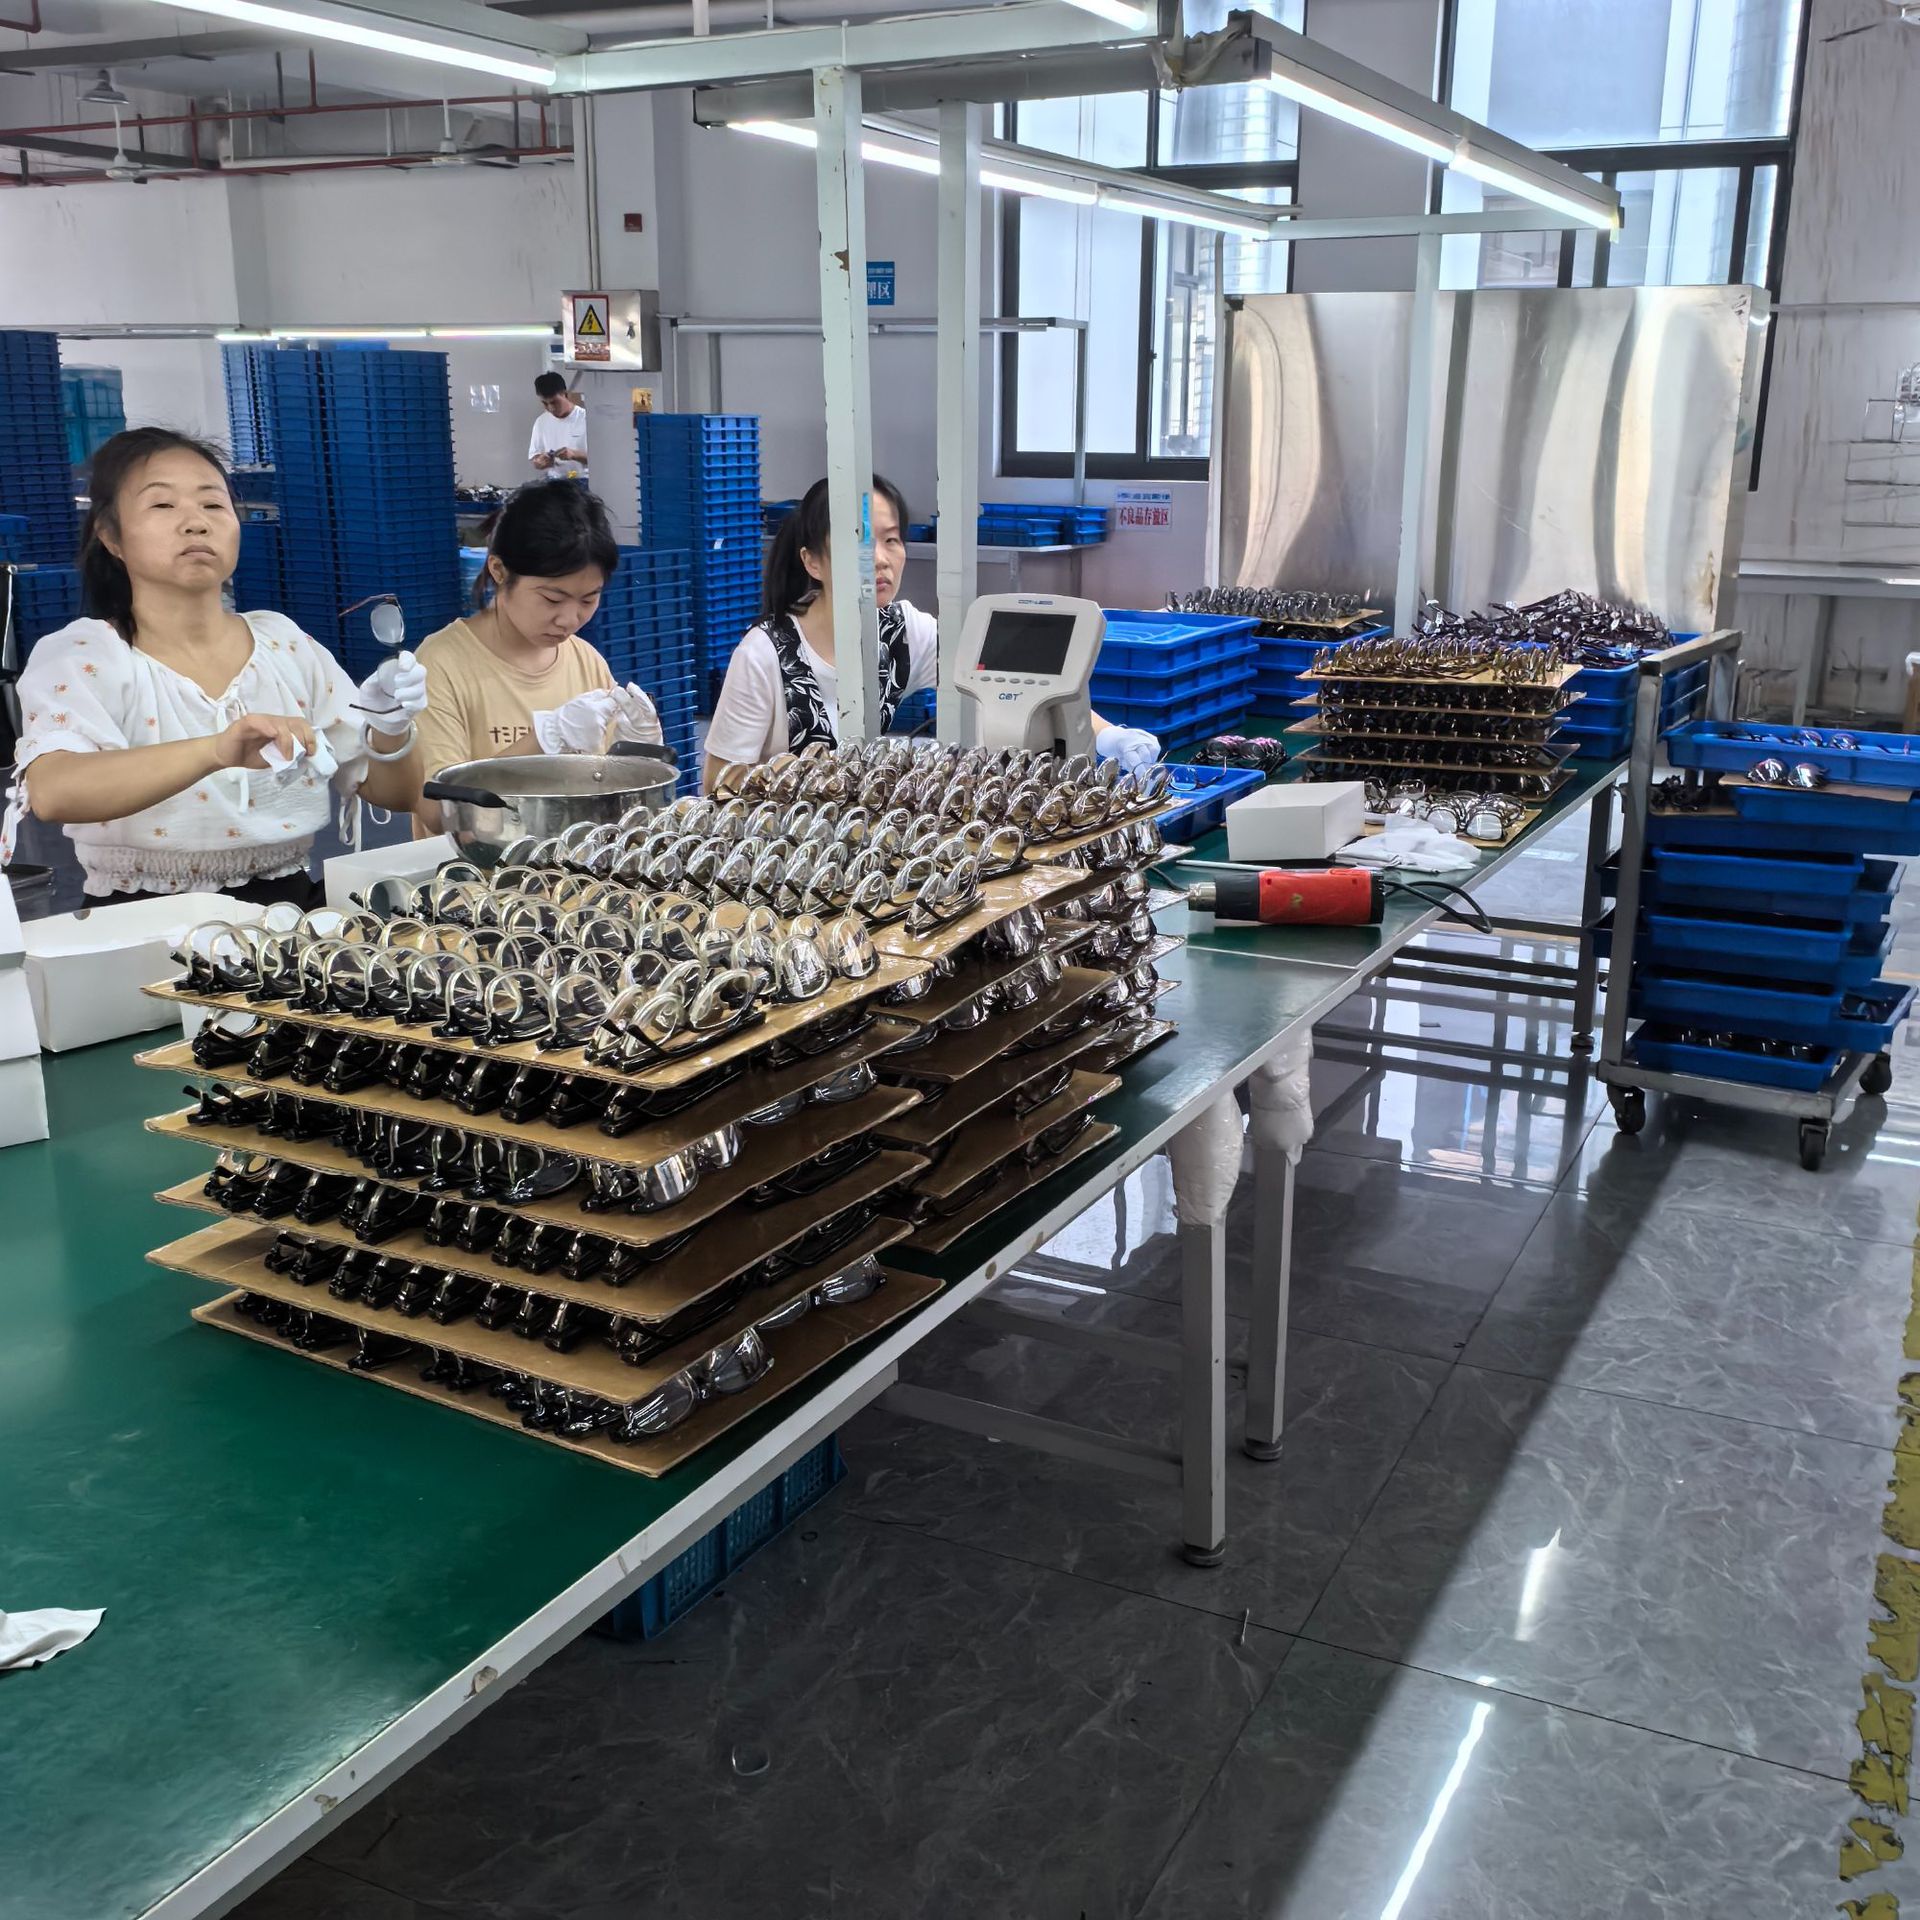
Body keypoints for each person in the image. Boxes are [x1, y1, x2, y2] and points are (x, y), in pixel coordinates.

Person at [3, 428, 426, 908]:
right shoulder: (85, 656)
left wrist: (390, 728)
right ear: (110, 536)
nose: (195, 523)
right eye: (163, 505)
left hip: (287, 915)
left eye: (213, 504)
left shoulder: (286, 644)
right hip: (140, 918)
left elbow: (397, 794)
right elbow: (54, 791)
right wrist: (216, 750)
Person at [701, 474, 1157, 793]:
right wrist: (792, 779)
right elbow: (716, 782)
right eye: (860, 541)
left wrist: (1109, 737)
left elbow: (1018, 682)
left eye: (892, 540)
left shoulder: (902, 632)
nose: (881, 559)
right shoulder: (765, 655)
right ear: (812, 562)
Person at [412, 483, 663, 836]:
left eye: (588, 599)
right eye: (552, 599)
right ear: (499, 570)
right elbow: (437, 813)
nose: (570, 619)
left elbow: (605, 797)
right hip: (481, 865)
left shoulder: (586, 661)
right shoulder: (440, 665)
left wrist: (636, 760)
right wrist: (544, 740)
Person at [527, 371, 588, 483]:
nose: (550, 408)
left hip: (584, 482)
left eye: (554, 402)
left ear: (565, 394)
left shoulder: (586, 419)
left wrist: (575, 455)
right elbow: (535, 458)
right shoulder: (541, 422)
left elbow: (602, 460)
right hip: (555, 483)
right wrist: (540, 462)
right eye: (545, 403)